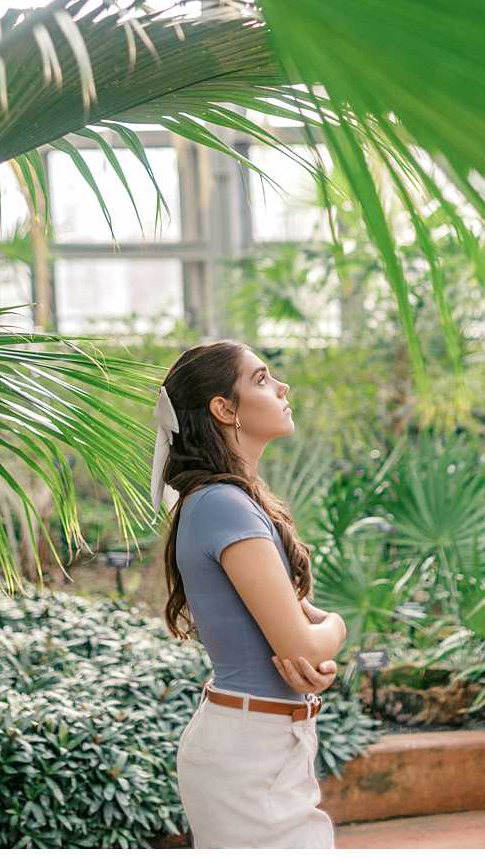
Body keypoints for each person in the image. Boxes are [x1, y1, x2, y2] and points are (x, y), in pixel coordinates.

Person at [153, 340, 348, 847]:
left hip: (266, 743)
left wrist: (311, 661)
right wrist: (337, 631)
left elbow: (292, 635)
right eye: (261, 379)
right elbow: (305, 640)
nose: (282, 387)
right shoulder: (223, 505)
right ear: (224, 408)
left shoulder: (231, 500)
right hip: (247, 756)